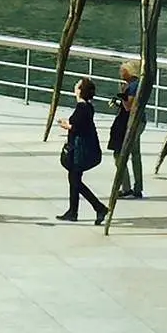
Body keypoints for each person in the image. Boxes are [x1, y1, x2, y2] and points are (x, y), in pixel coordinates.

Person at [57, 77, 108, 224]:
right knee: (74, 179)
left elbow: (78, 127)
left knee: (74, 180)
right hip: (81, 148)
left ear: (80, 91)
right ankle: (73, 211)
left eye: (77, 85)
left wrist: (66, 125)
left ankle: (98, 207)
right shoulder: (87, 106)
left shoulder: (82, 107)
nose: (75, 87)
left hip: (79, 150)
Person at [107, 60, 145, 199]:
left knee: (122, 155)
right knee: (135, 155)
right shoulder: (136, 85)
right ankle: (137, 187)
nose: (120, 73)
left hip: (133, 123)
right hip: (137, 121)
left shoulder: (133, 86)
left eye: (122, 70)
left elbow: (129, 106)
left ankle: (127, 187)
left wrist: (122, 94)